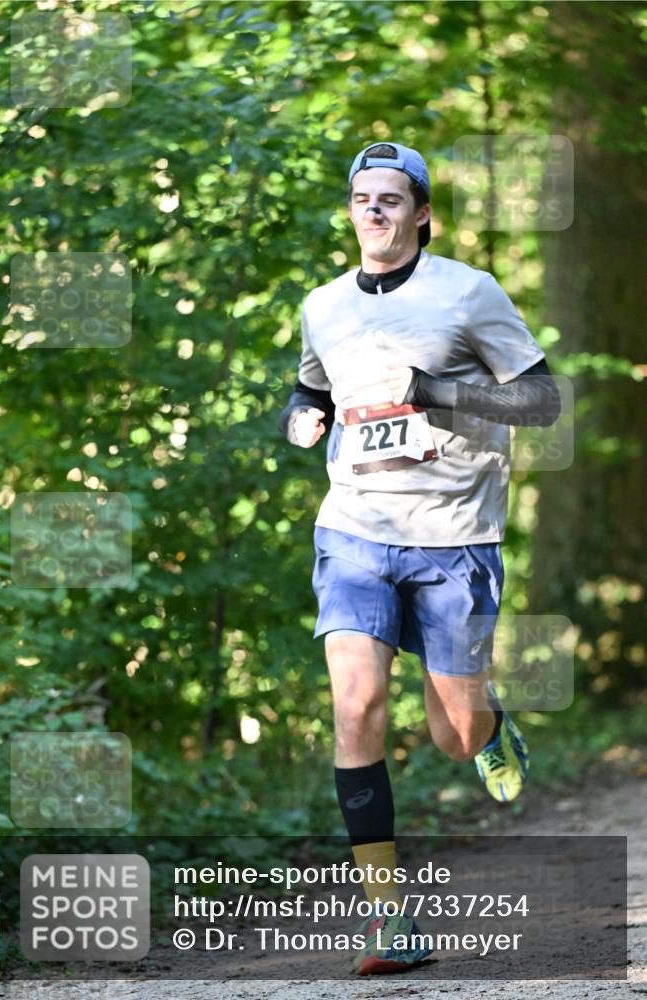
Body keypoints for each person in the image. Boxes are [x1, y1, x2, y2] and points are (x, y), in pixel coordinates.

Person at [277, 141, 561, 975]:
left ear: (422, 212)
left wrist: (436, 391)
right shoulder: (321, 306)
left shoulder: (467, 293)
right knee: (356, 706)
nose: (375, 211)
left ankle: (488, 724)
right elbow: (311, 388)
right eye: (363, 198)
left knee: (453, 732)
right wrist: (301, 418)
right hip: (354, 531)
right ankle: (389, 922)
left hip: (455, 539)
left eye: (392, 199)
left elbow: (541, 400)